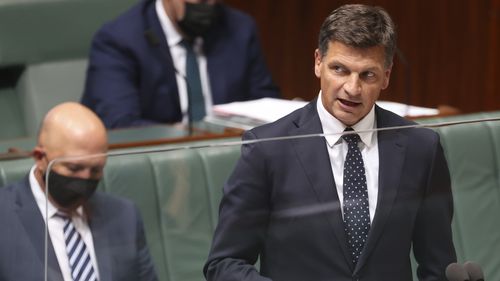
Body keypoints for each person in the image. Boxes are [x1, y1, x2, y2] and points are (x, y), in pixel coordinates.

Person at [204, 4, 456, 281]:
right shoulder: (268, 148)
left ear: (386, 75)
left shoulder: (421, 148)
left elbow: (438, 265)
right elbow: (225, 263)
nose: (352, 88)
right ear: (317, 63)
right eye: (339, 69)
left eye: (367, 74)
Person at [0, 102, 158, 281]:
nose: (84, 180)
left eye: (96, 170)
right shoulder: (4, 217)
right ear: (40, 158)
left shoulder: (124, 216)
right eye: (74, 168)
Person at [81, 0, 280, 129]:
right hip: (159, 161)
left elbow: (265, 102)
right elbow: (120, 124)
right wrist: (184, 135)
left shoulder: (239, 29)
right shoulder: (120, 40)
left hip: (231, 157)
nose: (205, 6)